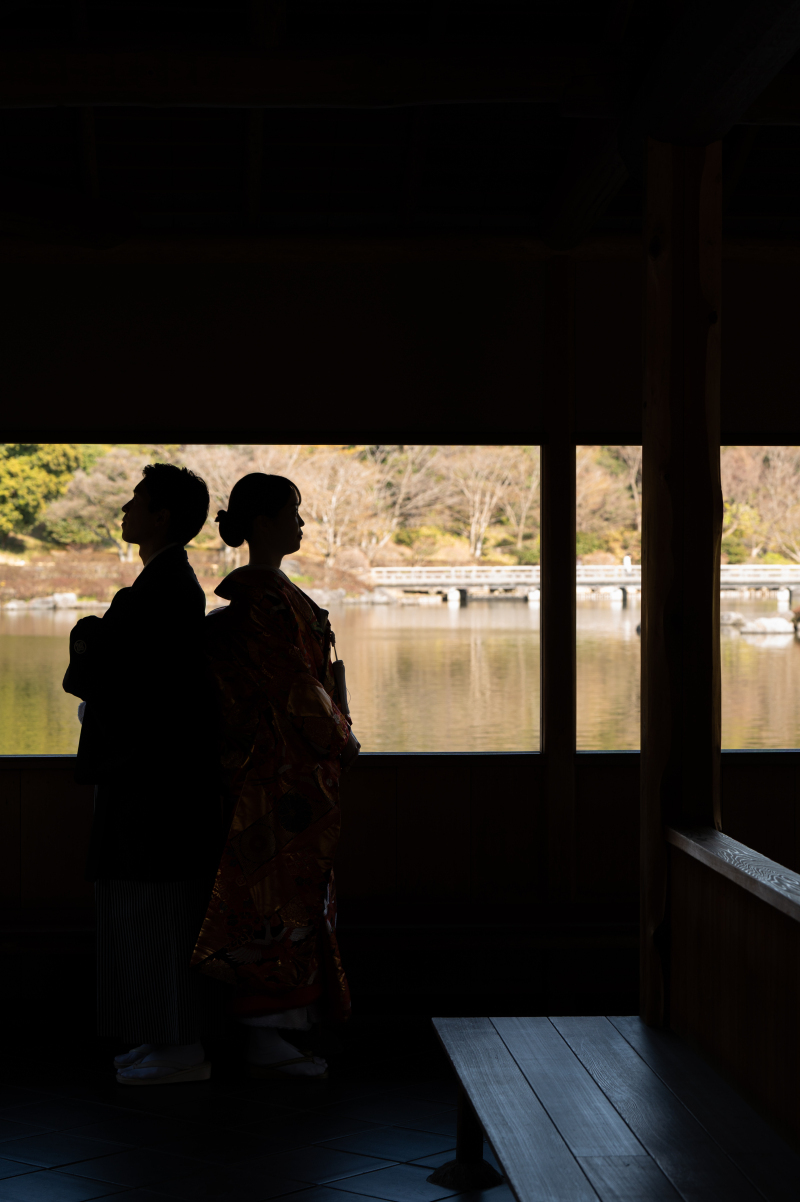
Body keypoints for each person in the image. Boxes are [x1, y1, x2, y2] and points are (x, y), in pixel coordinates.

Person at [192, 473, 359, 1079]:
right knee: (274, 899)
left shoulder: (264, 596)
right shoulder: (262, 601)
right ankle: (268, 1032)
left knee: (287, 898)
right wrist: (343, 737)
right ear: (262, 524)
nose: (301, 524)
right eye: (293, 513)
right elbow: (297, 687)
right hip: (275, 779)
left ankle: (285, 1028)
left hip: (280, 775)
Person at [63, 463, 222, 1084]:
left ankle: (179, 1045)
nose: (124, 511)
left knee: (157, 911)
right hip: (161, 778)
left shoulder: (164, 591)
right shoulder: (167, 587)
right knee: (151, 909)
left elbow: (127, 681)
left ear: (162, 516)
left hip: (156, 784)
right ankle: (158, 1037)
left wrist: (88, 635)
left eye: (135, 502)